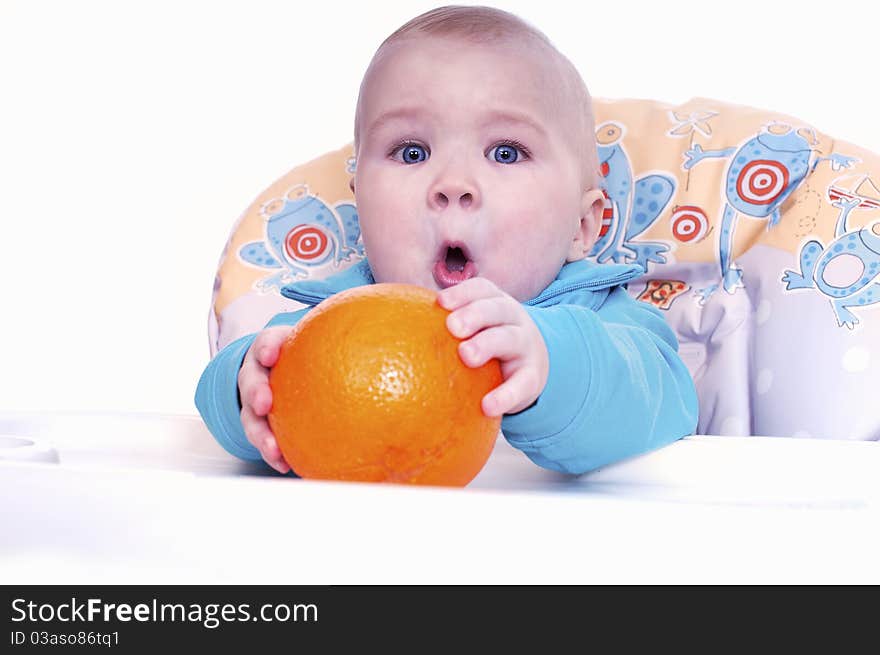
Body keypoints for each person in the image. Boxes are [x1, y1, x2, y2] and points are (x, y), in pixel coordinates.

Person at [195, 5, 699, 475]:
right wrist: (248, 390)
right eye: (412, 152)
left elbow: (666, 398)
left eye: (505, 153)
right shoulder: (333, 318)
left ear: (583, 226)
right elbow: (220, 392)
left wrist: (550, 363)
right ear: (360, 205)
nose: (453, 183)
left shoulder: (601, 321)